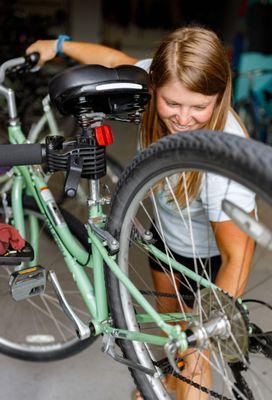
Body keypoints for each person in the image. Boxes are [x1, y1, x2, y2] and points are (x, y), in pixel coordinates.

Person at [27, 26, 255, 399]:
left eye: (199, 106)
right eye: (171, 103)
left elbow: (238, 255)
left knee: (192, 356)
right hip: (167, 242)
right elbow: (114, 61)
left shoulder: (223, 153)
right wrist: (59, 44)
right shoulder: (154, 78)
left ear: (220, 96)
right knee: (170, 339)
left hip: (214, 262)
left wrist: (206, 330)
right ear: (153, 85)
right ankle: (159, 387)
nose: (183, 117)